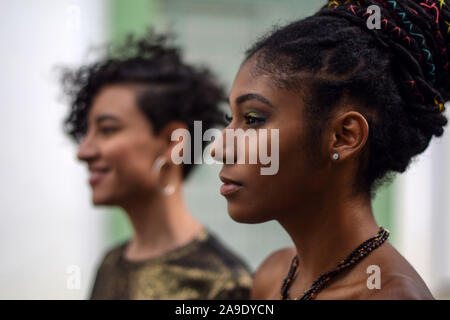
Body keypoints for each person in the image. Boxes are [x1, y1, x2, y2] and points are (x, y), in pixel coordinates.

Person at [213, 0, 449, 299]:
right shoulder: (274, 275)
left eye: (253, 119)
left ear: (344, 137)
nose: (219, 148)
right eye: (228, 119)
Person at [61, 32, 252, 300]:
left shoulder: (222, 283)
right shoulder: (110, 264)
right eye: (86, 133)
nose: (84, 152)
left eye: (107, 129)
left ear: (172, 143)